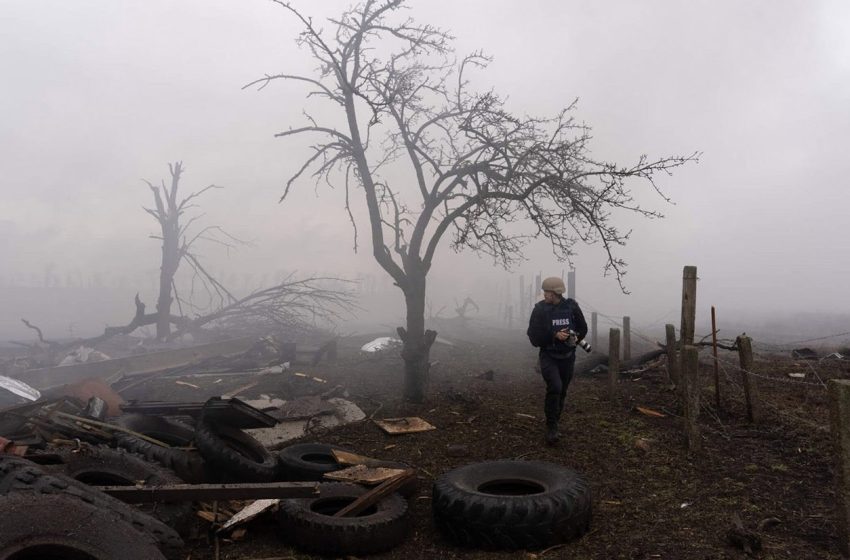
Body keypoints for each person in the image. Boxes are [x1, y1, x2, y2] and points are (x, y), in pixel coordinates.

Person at [526, 276, 588, 446]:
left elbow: (583, 328)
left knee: (562, 391)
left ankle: (555, 420)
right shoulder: (539, 310)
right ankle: (551, 426)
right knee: (555, 386)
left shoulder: (571, 307)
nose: (545, 295)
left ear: (556, 293)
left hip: (568, 356)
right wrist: (553, 335)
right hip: (548, 356)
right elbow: (533, 336)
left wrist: (573, 336)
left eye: (547, 292)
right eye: (544, 292)